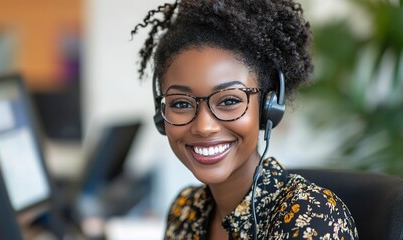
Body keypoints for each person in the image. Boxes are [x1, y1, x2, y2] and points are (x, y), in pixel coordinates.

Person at [132, 0, 358, 239]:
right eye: (181, 103)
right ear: (161, 114)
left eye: (229, 101)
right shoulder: (186, 211)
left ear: (267, 107)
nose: (204, 126)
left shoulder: (312, 217)